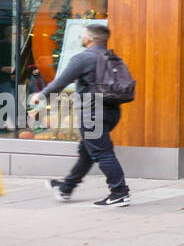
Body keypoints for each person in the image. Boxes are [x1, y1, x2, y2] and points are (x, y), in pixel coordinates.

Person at [33, 24, 131, 207]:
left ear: (90, 39)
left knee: (102, 152)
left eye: (84, 35)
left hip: (93, 113)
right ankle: (66, 188)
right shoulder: (112, 57)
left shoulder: (84, 58)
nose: (82, 37)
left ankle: (120, 192)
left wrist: (40, 95)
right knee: (87, 151)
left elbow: (60, 82)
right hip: (112, 111)